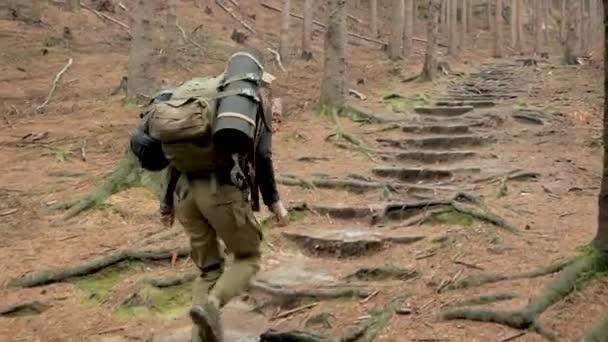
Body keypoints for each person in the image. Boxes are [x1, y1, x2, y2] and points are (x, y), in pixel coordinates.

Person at [157, 71, 287, 342]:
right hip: (220, 192)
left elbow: (171, 157)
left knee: (208, 270)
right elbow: (262, 156)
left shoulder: (202, 99)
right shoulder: (247, 107)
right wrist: (274, 202)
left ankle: (201, 338)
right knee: (248, 258)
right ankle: (213, 304)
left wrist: (166, 203)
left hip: (184, 194)